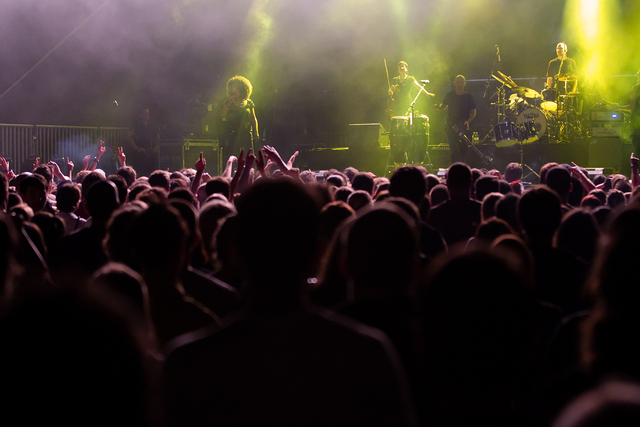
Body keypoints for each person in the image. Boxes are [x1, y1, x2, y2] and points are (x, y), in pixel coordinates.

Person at [434, 75, 477, 164]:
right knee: (453, 151)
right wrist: (438, 107)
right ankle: (454, 171)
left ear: (465, 84)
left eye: (461, 82)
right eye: (458, 82)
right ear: (454, 83)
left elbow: (473, 112)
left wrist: (468, 121)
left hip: (463, 127)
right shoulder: (449, 95)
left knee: (463, 151)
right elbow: (443, 106)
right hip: (451, 127)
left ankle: (463, 170)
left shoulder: (468, 96)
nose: (459, 84)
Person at [220, 75, 259, 157]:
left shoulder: (249, 103)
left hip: (247, 134)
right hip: (233, 134)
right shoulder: (228, 103)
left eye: (237, 88)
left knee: (248, 156)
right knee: (235, 156)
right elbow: (222, 115)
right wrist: (228, 103)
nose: (234, 90)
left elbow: (253, 118)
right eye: (233, 88)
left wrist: (256, 131)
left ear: (242, 89)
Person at [128, 107, 159, 176]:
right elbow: (129, 137)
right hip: (138, 150)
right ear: (140, 114)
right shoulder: (135, 125)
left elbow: (157, 135)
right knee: (143, 156)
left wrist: (155, 147)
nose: (148, 115)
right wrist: (137, 149)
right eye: (146, 113)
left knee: (155, 155)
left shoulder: (150, 125)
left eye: (148, 113)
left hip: (149, 149)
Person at [629, 69, 640, 156]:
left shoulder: (636, 88)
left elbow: (631, 107)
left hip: (637, 126)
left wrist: (618, 107)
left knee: (637, 152)